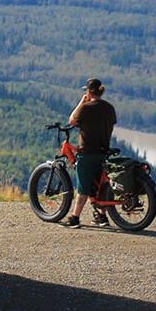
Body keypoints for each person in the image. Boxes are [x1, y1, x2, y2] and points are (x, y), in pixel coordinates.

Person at [61, 78, 117, 228]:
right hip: (104, 152)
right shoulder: (109, 108)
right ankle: (101, 217)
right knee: (99, 186)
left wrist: (82, 102)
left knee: (83, 188)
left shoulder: (86, 108)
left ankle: (74, 218)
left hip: (87, 153)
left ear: (88, 91)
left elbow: (72, 120)